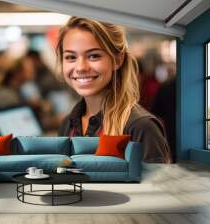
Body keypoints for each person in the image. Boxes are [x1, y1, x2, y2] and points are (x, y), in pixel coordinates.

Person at [56, 17, 171, 163]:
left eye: (93, 56)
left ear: (117, 60)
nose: (80, 68)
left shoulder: (141, 127)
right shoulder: (68, 124)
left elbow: (156, 186)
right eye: (71, 57)